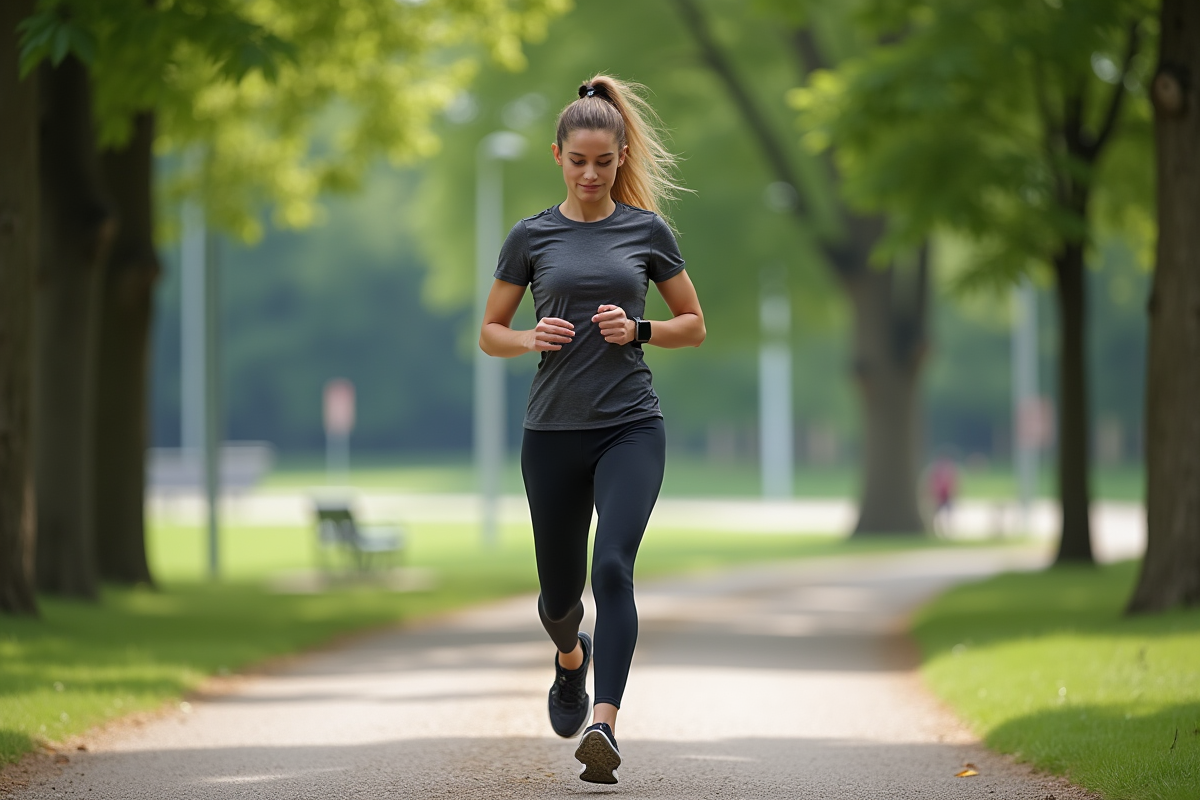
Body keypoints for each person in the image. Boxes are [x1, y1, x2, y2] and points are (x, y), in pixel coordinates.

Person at [478, 74, 705, 784]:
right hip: (552, 433)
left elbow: (693, 325)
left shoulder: (646, 230)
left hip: (630, 427)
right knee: (558, 599)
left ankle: (604, 724)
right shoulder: (531, 236)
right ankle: (569, 659)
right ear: (558, 155)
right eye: (578, 160)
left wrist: (639, 328)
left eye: (603, 162)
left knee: (614, 567)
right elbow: (489, 331)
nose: (590, 174)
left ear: (619, 156)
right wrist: (528, 340)